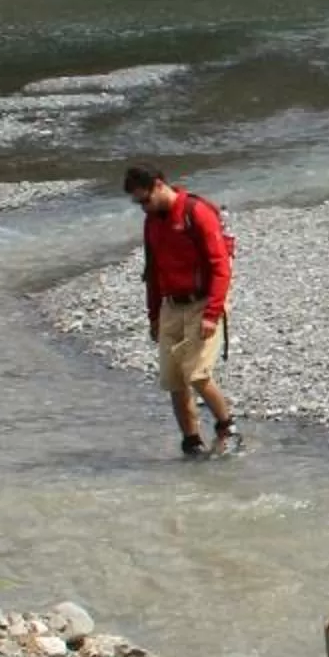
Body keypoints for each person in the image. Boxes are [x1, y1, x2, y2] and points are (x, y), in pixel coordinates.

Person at [125, 164, 241, 458]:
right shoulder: (152, 221)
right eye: (138, 203)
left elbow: (220, 267)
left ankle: (228, 428)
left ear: (160, 185)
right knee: (173, 378)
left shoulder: (196, 212)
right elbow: (152, 272)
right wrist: (153, 316)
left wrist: (212, 314)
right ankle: (192, 443)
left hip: (203, 302)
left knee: (198, 374)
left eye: (145, 200)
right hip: (171, 306)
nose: (143, 208)